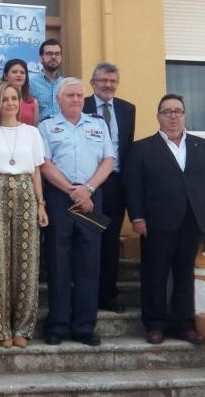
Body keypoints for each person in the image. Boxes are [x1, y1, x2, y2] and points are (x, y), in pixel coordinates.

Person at [123, 93, 205, 345]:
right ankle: (155, 325)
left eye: (178, 111)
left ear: (184, 115)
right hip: (157, 221)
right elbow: (132, 186)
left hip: (194, 220)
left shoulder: (202, 146)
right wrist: (137, 217)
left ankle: (184, 325)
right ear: (158, 116)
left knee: (184, 275)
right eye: (167, 111)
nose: (173, 116)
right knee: (155, 273)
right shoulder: (142, 148)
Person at [38, 77, 114, 347]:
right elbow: (44, 164)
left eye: (80, 96)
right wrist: (72, 190)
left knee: (88, 265)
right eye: (70, 95)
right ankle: (57, 325)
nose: (76, 100)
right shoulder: (47, 126)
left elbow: (108, 159)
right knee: (58, 264)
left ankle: (84, 327)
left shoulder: (98, 125)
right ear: (58, 99)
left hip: (91, 199)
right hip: (60, 198)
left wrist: (88, 189)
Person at [0, 82, 48, 349]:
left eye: (14, 98)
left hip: (26, 193)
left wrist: (41, 204)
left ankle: (24, 327)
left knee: (27, 262)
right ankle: (1, 327)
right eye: (5, 99)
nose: (11, 103)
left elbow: (37, 171)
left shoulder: (32, 133)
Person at [83, 62, 135, 313]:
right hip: (86, 183)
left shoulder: (127, 109)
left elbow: (126, 148)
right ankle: (87, 293)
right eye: (103, 81)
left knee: (111, 240)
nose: (108, 85)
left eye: (113, 81)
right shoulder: (80, 105)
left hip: (115, 183)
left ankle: (108, 294)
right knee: (88, 238)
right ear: (93, 82)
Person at [30, 38, 64, 120]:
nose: (53, 57)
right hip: (39, 131)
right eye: (49, 54)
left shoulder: (65, 84)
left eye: (57, 54)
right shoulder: (30, 83)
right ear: (41, 58)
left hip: (63, 131)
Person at [2, 59, 39, 126]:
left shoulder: (33, 102)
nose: (19, 75)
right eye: (14, 72)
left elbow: (35, 129)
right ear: (6, 76)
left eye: (22, 72)